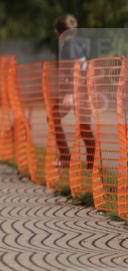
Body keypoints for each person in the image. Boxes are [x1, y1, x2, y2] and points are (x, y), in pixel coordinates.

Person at [51, 14, 95, 171]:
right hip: (85, 89)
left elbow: (72, 69)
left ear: (59, 32)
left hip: (75, 91)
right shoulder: (83, 44)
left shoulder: (67, 47)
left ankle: (65, 157)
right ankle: (92, 163)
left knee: (53, 116)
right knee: (84, 127)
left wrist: (69, 93)